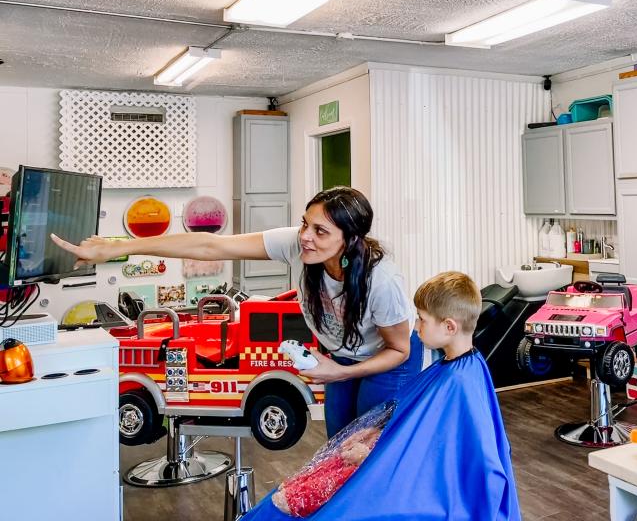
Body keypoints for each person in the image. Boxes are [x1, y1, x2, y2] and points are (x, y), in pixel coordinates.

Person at [51, 186, 421, 438]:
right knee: (340, 446)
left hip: (389, 359)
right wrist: (119, 248)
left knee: (370, 448)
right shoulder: (301, 245)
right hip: (343, 356)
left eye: (320, 231)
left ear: (350, 239)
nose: (306, 235)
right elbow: (211, 245)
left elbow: (399, 349)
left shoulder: (381, 280)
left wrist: (342, 371)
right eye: (305, 223)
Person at [242, 271, 521, 521]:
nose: (415, 326)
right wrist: (374, 435)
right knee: (304, 487)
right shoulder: (459, 367)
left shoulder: (459, 381)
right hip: (396, 465)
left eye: (422, 319)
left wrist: (372, 453)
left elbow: (441, 458)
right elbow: (417, 430)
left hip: (421, 491)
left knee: (321, 504)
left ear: (449, 327)